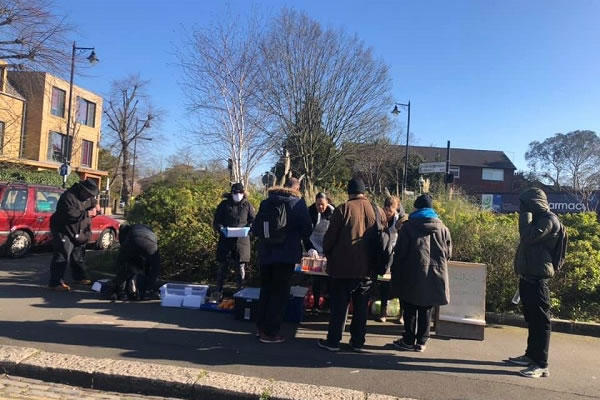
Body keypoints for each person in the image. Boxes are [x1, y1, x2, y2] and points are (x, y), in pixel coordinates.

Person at [318, 177, 384, 352]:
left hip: (342, 268)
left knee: (339, 307)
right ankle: (357, 342)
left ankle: (333, 341)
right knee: (361, 307)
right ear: (364, 192)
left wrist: (327, 251)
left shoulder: (343, 209)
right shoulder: (376, 210)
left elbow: (330, 239)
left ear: (349, 192)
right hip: (367, 269)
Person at [509, 188, 562, 378]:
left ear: (533, 203)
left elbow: (528, 237)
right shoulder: (539, 219)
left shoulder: (548, 219)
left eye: (524, 203)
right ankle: (530, 355)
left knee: (541, 322)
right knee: (532, 319)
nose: (521, 207)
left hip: (538, 279)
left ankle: (541, 363)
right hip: (528, 277)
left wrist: (525, 215)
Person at [252, 177, 312, 343]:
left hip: (265, 253)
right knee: (280, 294)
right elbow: (307, 229)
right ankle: (271, 333)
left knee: (266, 290)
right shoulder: (297, 204)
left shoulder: (266, 202)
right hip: (286, 254)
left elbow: (255, 228)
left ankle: (260, 328)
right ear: (296, 188)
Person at [391, 194, 452, 352]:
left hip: (411, 272)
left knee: (409, 306)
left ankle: (408, 340)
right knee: (426, 307)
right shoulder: (443, 228)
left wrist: (395, 270)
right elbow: (448, 253)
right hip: (435, 273)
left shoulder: (409, 227)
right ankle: (422, 341)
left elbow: (400, 252)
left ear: (417, 208)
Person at [48, 179, 100, 291]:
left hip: (79, 231)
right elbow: (70, 214)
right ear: (82, 189)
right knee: (62, 255)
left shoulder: (88, 197)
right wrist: (87, 213)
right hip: (63, 230)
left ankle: (79, 277)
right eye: (88, 194)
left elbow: (93, 203)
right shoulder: (68, 197)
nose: (89, 196)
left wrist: (96, 206)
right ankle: (55, 282)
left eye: (91, 195)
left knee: (78, 255)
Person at [213, 183, 255, 299]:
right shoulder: (224, 205)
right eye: (235, 193)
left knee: (240, 269)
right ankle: (218, 293)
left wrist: (249, 228)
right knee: (222, 268)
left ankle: (240, 296)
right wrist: (221, 228)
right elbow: (217, 221)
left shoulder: (247, 205)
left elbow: (253, 220)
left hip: (242, 241)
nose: (238, 195)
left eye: (240, 193)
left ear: (243, 193)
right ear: (231, 193)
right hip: (225, 240)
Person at [109, 224, 161, 301]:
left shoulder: (127, 229)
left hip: (133, 241)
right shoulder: (148, 229)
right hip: (151, 245)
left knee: (122, 265)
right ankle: (147, 291)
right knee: (154, 268)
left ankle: (120, 290)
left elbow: (123, 243)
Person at [376, 196, 407, 323]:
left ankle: (402, 313)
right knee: (384, 283)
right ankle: (383, 310)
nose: (389, 214)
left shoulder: (401, 218)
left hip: (397, 252)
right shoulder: (380, 216)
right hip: (384, 252)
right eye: (387, 210)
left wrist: (402, 222)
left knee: (400, 283)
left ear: (395, 209)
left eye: (391, 211)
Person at [307, 192, 334, 313]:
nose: (320, 207)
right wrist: (311, 248)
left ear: (327, 203)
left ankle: (328, 304)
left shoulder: (333, 212)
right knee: (316, 275)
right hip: (314, 241)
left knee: (329, 276)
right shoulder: (310, 211)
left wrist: (329, 249)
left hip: (327, 242)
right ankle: (315, 305)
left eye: (322, 205)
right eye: (318, 204)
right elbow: (307, 232)